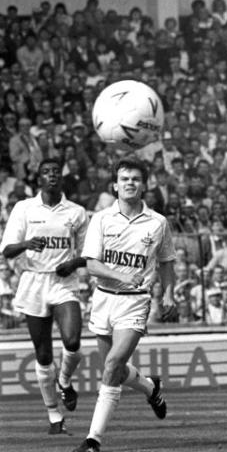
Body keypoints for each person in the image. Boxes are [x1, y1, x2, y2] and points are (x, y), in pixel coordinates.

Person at [70, 157, 176, 452]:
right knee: (113, 369)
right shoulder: (102, 218)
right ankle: (151, 388)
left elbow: (167, 262)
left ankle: (93, 440)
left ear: (144, 185)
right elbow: (91, 265)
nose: (130, 183)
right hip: (103, 299)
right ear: (115, 185)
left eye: (136, 179)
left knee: (112, 365)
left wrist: (168, 294)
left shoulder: (158, 223)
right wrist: (120, 276)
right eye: (125, 179)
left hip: (135, 302)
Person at [0, 158, 89, 435]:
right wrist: (27, 243)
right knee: (43, 353)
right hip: (33, 282)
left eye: (55, 172)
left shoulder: (76, 212)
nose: (51, 176)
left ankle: (64, 381)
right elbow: (7, 250)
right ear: (38, 179)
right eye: (45, 172)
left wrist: (73, 264)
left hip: (63, 282)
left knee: (73, 341)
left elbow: (87, 254)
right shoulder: (24, 208)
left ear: (61, 178)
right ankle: (54, 416)